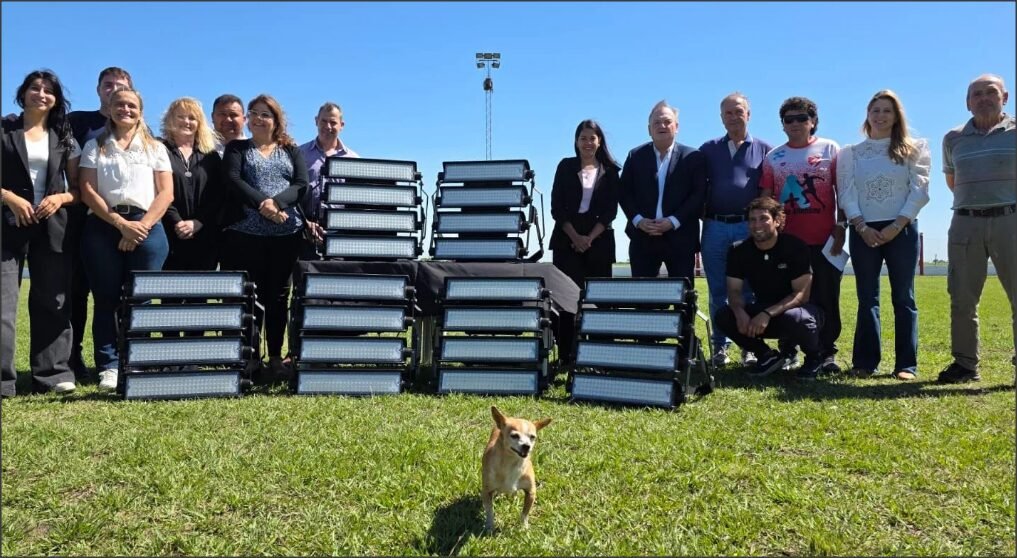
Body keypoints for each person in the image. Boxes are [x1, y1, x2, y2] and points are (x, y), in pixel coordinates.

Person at [78, 88, 173, 391]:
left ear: (140, 112)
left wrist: (139, 228)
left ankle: (137, 360)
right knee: (105, 299)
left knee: (141, 299)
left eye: (131, 105)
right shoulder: (95, 145)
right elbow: (87, 190)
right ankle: (109, 365)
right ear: (109, 109)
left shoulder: (155, 148)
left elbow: (166, 193)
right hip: (104, 225)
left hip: (147, 225)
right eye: (119, 104)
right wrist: (121, 225)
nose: (125, 110)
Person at [837, 90, 931, 381]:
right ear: (867, 115)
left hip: (902, 229)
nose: (880, 116)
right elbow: (846, 192)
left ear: (896, 116)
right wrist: (862, 227)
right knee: (867, 297)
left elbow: (920, 191)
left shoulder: (915, 148)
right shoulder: (850, 153)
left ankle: (906, 365)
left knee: (904, 297)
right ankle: (865, 362)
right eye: (875, 110)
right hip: (863, 229)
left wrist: (896, 226)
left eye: (887, 110)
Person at [1, 70, 82, 396]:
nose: (41, 94)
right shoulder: (5, 128)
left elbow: (77, 190)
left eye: (48, 90)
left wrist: (60, 198)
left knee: (53, 300)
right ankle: (3, 382)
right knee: (3, 305)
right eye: (35, 88)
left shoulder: (64, 137)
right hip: (6, 225)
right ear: (23, 93)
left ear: (56, 99)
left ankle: (52, 375)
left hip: (51, 226)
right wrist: (9, 197)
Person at [220, 94, 308, 382]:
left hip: (287, 234)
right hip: (246, 235)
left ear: (276, 120)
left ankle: (275, 357)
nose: (259, 119)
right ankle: (251, 357)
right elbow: (233, 180)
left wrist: (278, 204)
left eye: (265, 114)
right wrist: (265, 205)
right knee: (250, 296)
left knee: (278, 297)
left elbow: (301, 184)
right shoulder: (237, 148)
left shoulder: (291, 150)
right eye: (254, 113)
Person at [938, 74, 1016, 384]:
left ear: (1004, 97)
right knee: (961, 297)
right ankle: (965, 364)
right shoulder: (953, 138)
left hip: (1010, 220)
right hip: (965, 222)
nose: (983, 98)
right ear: (967, 102)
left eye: (990, 92)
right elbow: (953, 181)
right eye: (976, 94)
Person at [760, 96, 844, 374]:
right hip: (787, 244)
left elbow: (842, 191)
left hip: (823, 241)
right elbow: (767, 199)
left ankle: (827, 352)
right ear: (782, 125)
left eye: (801, 118)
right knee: (787, 298)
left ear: (813, 121)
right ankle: (788, 350)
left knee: (826, 297)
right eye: (789, 119)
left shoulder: (830, 149)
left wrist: (841, 226)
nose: (795, 123)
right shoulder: (773, 158)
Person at [65, 67, 135, 380]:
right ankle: (72, 357)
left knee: (118, 293)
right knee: (76, 291)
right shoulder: (79, 122)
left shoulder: (138, 130)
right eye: (108, 85)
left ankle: (121, 358)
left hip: (125, 224)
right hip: (81, 219)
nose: (114, 90)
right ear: (98, 89)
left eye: (120, 85)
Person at [699, 92, 773, 367]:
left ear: (748, 115)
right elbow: (697, 186)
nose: (733, 117)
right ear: (721, 118)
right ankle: (720, 347)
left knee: (749, 290)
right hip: (715, 227)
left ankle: (749, 348)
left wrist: (760, 224)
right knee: (718, 290)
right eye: (728, 113)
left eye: (738, 111)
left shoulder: (765, 150)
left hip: (748, 228)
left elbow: (767, 192)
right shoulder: (708, 150)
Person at [714, 197, 824, 380]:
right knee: (723, 315)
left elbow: (801, 295)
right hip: (763, 312)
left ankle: (814, 357)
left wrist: (766, 314)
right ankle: (766, 356)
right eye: (752, 220)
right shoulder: (738, 250)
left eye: (763, 218)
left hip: (798, 311)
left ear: (777, 221)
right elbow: (734, 291)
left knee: (797, 318)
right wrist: (739, 312)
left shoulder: (795, 247)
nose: (757, 225)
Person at [549, 119, 621, 365]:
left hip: (599, 243)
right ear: (576, 142)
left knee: (599, 301)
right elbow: (557, 207)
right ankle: (567, 355)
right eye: (583, 138)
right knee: (567, 300)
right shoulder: (565, 166)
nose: (587, 143)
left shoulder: (611, 171)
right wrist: (575, 237)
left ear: (600, 141)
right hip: (566, 241)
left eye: (592, 138)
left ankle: (598, 354)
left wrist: (589, 238)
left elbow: (610, 211)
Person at [618, 100, 706, 280]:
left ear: (677, 127)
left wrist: (673, 221)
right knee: (642, 294)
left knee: (683, 294)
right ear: (649, 129)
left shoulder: (693, 157)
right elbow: (624, 192)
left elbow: (698, 194)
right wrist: (638, 220)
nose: (662, 126)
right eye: (656, 122)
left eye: (667, 121)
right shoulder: (635, 156)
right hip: (643, 238)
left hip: (681, 238)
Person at [160, 97, 224, 273]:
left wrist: (199, 221)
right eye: (180, 116)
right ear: (170, 119)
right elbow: (156, 190)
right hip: (168, 232)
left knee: (201, 287)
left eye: (192, 118)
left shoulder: (210, 155)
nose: (186, 122)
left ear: (200, 123)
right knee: (170, 288)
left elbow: (219, 194)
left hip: (205, 234)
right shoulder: (159, 150)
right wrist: (177, 221)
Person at [297, 101, 359, 260]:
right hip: (304, 231)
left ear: (341, 125)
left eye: (333, 122)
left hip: (340, 234)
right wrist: (306, 223)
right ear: (316, 121)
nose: (328, 126)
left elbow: (358, 199)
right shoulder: (299, 154)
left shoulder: (353, 159)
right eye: (324, 121)